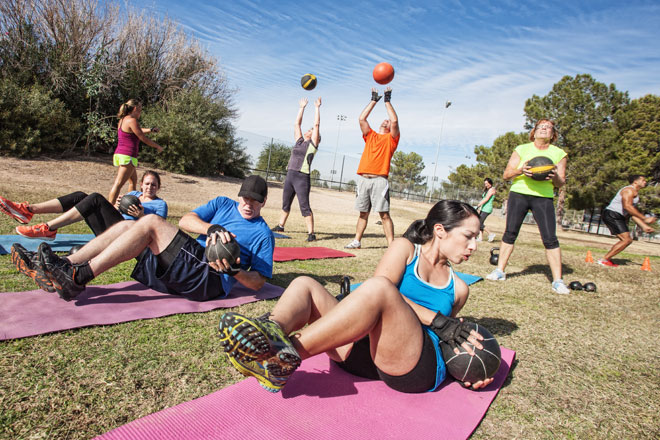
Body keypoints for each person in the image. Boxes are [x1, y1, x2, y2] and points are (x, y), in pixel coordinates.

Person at [218, 200, 496, 394]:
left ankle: (278, 359)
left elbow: (449, 339)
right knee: (305, 284)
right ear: (440, 231)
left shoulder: (459, 288)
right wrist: (439, 321)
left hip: (412, 367)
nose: (473, 246)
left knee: (380, 290)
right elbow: (380, 290)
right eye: (468, 236)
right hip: (363, 356)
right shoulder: (406, 249)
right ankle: (270, 331)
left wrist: (470, 370)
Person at [14, 175, 274, 302]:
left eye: (255, 200)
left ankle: (77, 278)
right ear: (239, 195)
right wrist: (211, 228)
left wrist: (236, 270)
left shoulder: (263, 234)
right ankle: (65, 266)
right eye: (245, 197)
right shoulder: (222, 204)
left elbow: (257, 284)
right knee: (130, 226)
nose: (249, 204)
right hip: (192, 260)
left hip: (210, 281)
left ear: (263, 202)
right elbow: (185, 221)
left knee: (149, 221)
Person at [485, 119, 571, 295]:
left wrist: (553, 176)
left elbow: (561, 182)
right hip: (519, 194)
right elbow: (507, 174)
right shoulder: (522, 149)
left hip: (543, 197)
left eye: (548, 128)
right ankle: (500, 271)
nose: (544, 129)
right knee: (510, 233)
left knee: (550, 238)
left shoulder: (559, 153)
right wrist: (521, 170)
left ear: (553, 134)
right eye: (541, 127)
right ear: (534, 131)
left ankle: (557, 281)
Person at [1, 171, 167, 240]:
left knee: (95, 198)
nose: (149, 187)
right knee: (80, 196)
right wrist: (117, 206)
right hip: (110, 227)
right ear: (141, 185)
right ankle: (28, 210)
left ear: (158, 187)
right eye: (147, 184)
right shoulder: (133, 195)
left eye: (153, 185)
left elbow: (158, 231)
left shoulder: (160, 205)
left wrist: (141, 216)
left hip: (124, 237)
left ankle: (47, 228)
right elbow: (116, 212)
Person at [345, 87, 400, 249]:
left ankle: (391, 246)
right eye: (385, 119)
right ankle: (357, 241)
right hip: (363, 179)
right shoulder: (371, 135)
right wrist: (373, 100)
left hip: (379, 181)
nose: (386, 120)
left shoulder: (392, 139)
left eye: (388, 121)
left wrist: (387, 101)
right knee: (363, 213)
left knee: (384, 214)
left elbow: (395, 121)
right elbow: (361, 118)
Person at [272, 97, 321, 242]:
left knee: (304, 206)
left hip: (301, 177)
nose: (308, 130)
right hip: (290, 175)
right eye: (308, 130)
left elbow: (317, 124)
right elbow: (296, 124)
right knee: (285, 203)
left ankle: (311, 234)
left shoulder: (312, 145)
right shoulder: (299, 141)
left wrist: (317, 108)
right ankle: (281, 226)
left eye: (310, 130)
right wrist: (302, 108)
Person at [107, 99, 164, 205]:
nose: (140, 113)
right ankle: (109, 207)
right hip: (127, 155)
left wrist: (150, 130)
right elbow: (142, 137)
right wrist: (157, 146)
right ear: (135, 109)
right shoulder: (132, 120)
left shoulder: (124, 119)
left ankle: (129, 205)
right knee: (118, 183)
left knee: (133, 181)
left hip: (122, 154)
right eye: (140, 110)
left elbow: (138, 130)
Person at [598, 175, 656, 267]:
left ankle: (606, 259)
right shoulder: (629, 190)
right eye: (643, 180)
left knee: (626, 240)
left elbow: (632, 213)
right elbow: (627, 206)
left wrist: (643, 226)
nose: (645, 182)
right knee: (627, 240)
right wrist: (645, 218)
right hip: (612, 214)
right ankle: (604, 260)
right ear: (635, 182)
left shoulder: (635, 193)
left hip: (617, 215)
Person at [475, 178, 496, 242]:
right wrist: (480, 207)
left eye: (487, 183)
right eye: (485, 184)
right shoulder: (487, 190)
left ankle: (491, 234)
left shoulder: (492, 189)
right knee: (480, 223)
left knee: (479, 223)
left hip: (487, 208)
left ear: (490, 183)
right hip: (483, 208)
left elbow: (486, 199)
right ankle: (480, 238)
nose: (486, 185)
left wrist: (479, 205)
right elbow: (484, 198)